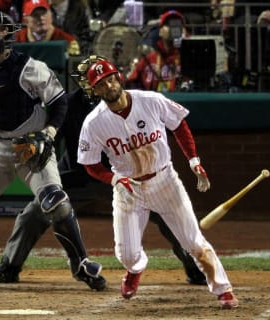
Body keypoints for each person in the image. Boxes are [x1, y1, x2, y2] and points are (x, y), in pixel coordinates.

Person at [0, 55, 206, 286]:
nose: (98, 84)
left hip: (126, 177)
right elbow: (52, 139)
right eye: (90, 80)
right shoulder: (67, 105)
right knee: (34, 213)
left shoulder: (128, 101)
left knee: (166, 214)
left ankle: (195, 267)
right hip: (77, 175)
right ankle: (9, 267)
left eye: (104, 78)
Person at [0, 9, 106, 291]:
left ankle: (81, 264)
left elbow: (59, 102)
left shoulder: (30, 67)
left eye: (2, 30)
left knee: (56, 203)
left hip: (32, 145)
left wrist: (48, 132)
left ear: (11, 33)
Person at [77, 58, 239, 308]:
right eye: (101, 83)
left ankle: (223, 289)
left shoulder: (150, 100)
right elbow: (90, 163)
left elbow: (179, 125)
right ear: (94, 90)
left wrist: (194, 161)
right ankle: (136, 269)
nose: (108, 85)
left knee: (194, 242)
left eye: (110, 78)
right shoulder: (93, 123)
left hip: (164, 181)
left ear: (118, 77)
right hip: (128, 189)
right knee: (127, 255)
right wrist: (114, 179)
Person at [126, 10, 190, 93]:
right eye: (168, 24)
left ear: (184, 31)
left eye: (177, 25)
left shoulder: (189, 59)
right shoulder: (148, 59)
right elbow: (131, 84)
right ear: (160, 32)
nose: (173, 28)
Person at [15, 0, 81, 56]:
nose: (41, 18)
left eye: (44, 13)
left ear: (51, 15)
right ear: (25, 20)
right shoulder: (16, 40)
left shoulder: (68, 41)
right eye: (35, 15)